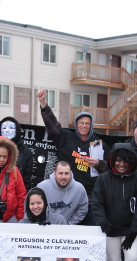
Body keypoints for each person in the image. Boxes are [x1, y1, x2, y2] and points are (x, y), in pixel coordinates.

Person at [38, 89, 109, 225]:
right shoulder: (66, 137)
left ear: (91, 125)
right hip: (65, 194)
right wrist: (43, 103)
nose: (84, 126)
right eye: (81, 123)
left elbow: (110, 170)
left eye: (87, 123)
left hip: (90, 198)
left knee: (89, 234)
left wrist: (99, 163)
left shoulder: (98, 144)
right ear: (76, 124)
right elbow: (52, 125)